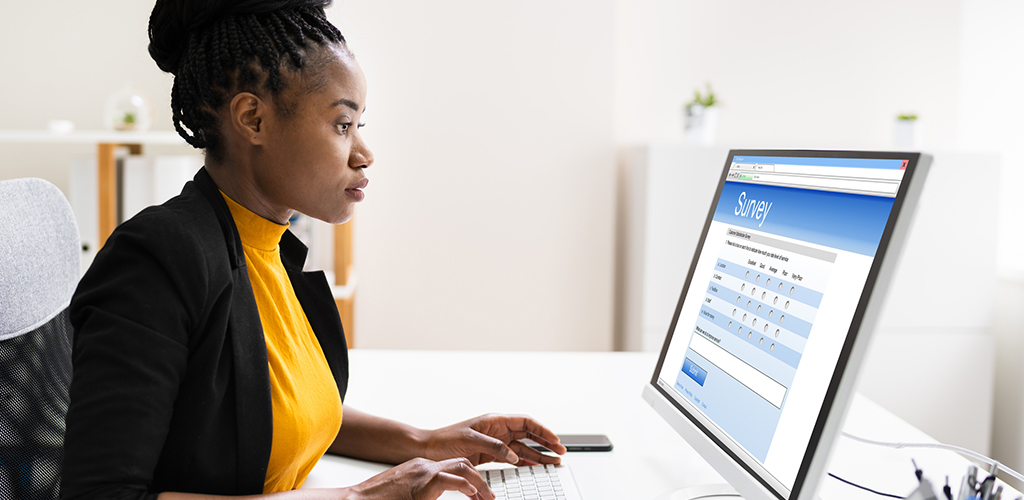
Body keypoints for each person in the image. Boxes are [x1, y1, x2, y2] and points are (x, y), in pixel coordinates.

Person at [59, 1, 567, 499]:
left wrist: (426, 442)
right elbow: (101, 493)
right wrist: (358, 497)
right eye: (342, 125)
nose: (365, 154)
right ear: (253, 120)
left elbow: (267, 412)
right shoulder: (158, 260)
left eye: (358, 126)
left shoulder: (268, 248)